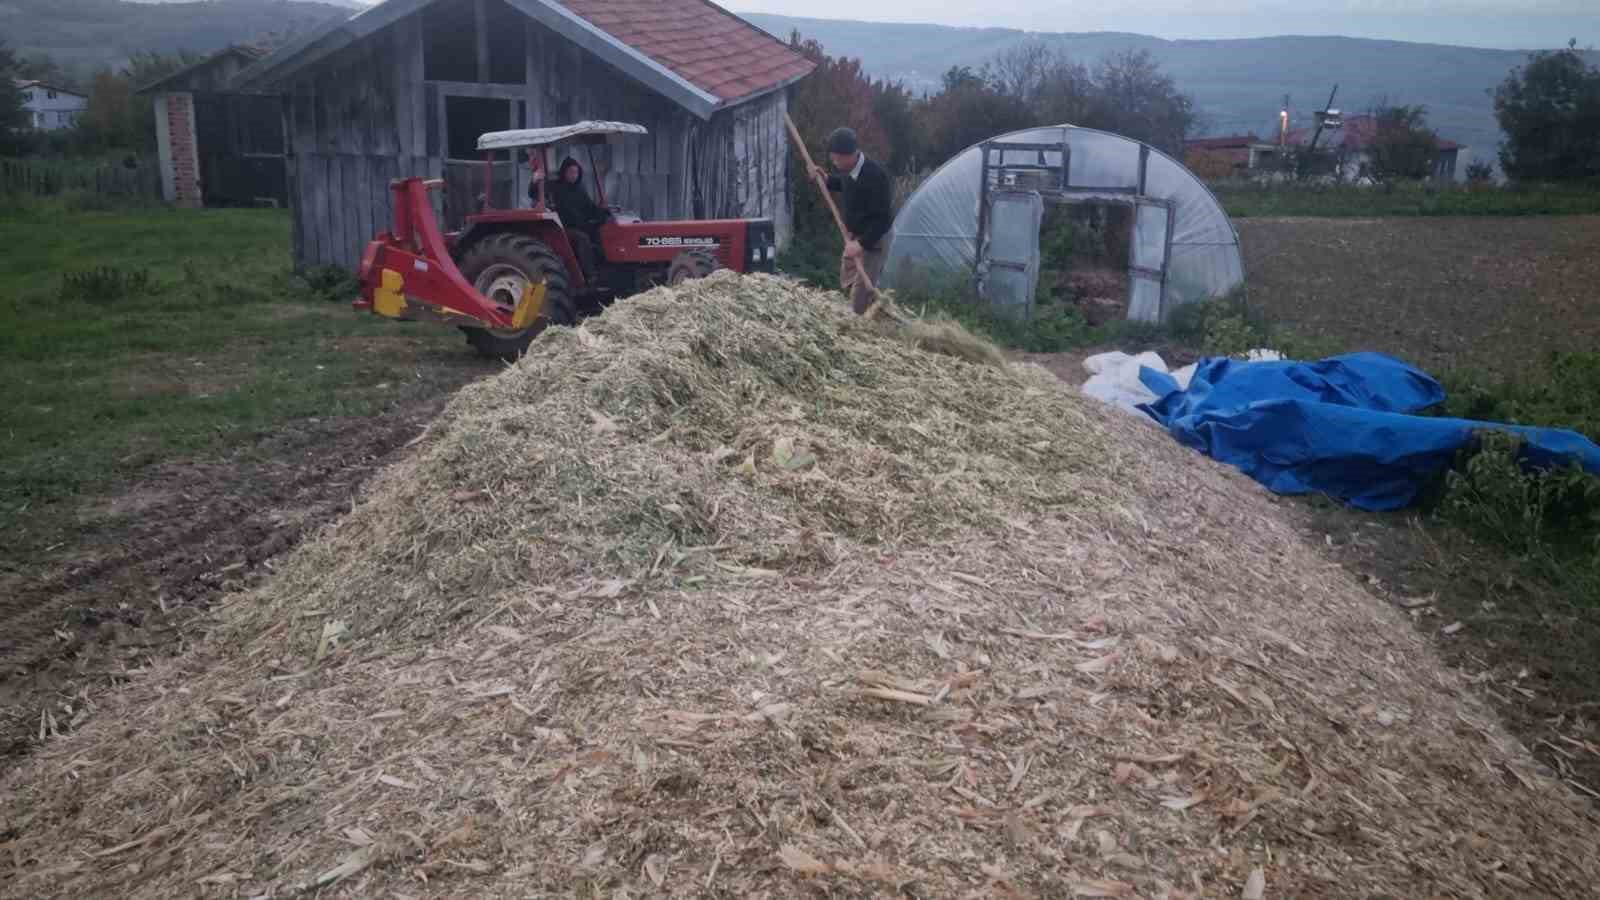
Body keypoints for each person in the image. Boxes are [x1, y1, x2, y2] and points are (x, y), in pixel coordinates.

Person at [810, 127, 892, 314]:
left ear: (849, 155)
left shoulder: (875, 176)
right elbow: (846, 184)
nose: (833, 161)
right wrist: (827, 179)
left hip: (873, 240)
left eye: (836, 157)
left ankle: (863, 321)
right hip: (853, 236)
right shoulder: (850, 170)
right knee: (847, 280)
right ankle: (868, 307)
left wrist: (861, 244)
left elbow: (883, 219)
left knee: (860, 297)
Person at [542, 156, 609, 280]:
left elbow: (590, 208)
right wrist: (535, 180)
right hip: (562, 228)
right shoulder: (555, 187)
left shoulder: (579, 189)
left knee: (601, 233)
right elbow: (534, 191)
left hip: (581, 225)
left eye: (576, 172)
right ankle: (590, 274)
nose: (574, 175)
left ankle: (605, 269)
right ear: (564, 173)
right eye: (571, 172)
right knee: (582, 238)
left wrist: (604, 212)